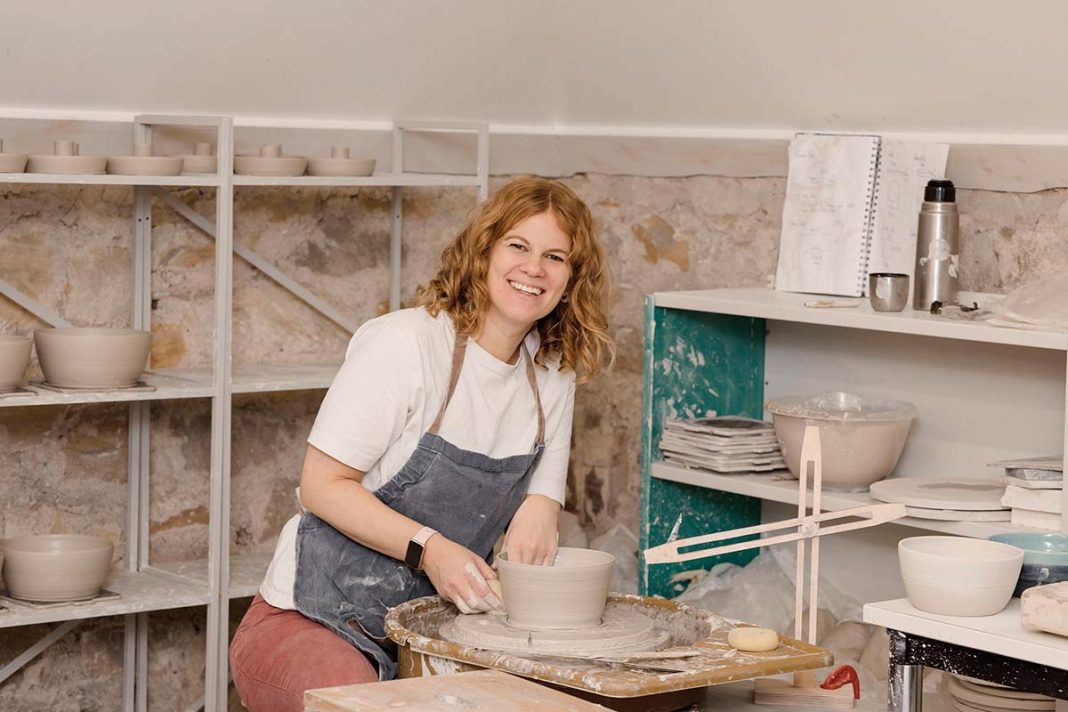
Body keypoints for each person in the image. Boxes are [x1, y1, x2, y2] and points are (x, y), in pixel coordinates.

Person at [228, 176, 615, 711]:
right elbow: (320, 486)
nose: (534, 269)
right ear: (483, 252)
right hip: (315, 622)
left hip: (438, 636)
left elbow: (543, 502)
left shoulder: (551, 373)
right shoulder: (404, 344)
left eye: (555, 257)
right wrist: (429, 549)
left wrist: (543, 505)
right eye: (518, 246)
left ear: (570, 280)